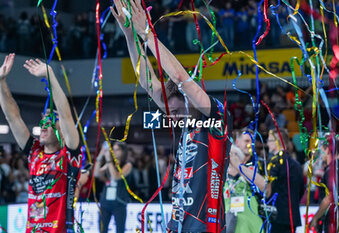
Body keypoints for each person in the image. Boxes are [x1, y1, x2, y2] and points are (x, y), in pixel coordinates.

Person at [110, 1, 231, 232]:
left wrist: (146, 33)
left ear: (188, 101)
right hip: (178, 224)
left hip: (205, 225)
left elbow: (179, 78)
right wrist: (129, 36)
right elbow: (147, 82)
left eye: (175, 112)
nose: (172, 118)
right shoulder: (186, 124)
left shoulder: (215, 119)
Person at [0, 53, 82, 233]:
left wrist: (50, 75)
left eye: (50, 123)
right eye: (42, 122)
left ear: (61, 129)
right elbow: (13, 117)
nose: (43, 127)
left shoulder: (69, 155)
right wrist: (1, 82)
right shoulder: (34, 152)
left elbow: (65, 114)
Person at [230, 128, 304, 233]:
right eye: (247, 141)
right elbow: (301, 190)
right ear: (237, 142)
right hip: (291, 218)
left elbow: (268, 190)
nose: (267, 144)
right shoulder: (296, 164)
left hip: (271, 217)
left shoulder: (269, 164)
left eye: (269, 141)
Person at [310, 135, 339, 233]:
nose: (321, 154)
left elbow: (329, 198)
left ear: (328, 150)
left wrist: (315, 218)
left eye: (322, 150)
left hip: (336, 222)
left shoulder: (331, 171)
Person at [224, 144, 264, 233]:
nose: (230, 157)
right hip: (227, 225)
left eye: (234, 154)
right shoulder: (220, 175)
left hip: (250, 226)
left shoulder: (247, 173)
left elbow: (263, 185)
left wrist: (238, 166)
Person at [94, 142, 132, 233]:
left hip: (119, 203)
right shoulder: (109, 164)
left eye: (117, 149)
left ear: (123, 151)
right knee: (102, 229)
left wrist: (109, 161)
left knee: (120, 230)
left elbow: (116, 177)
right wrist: (100, 155)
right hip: (105, 202)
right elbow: (96, 173)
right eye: (113, 149)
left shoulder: (127, 165)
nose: (114, 152)